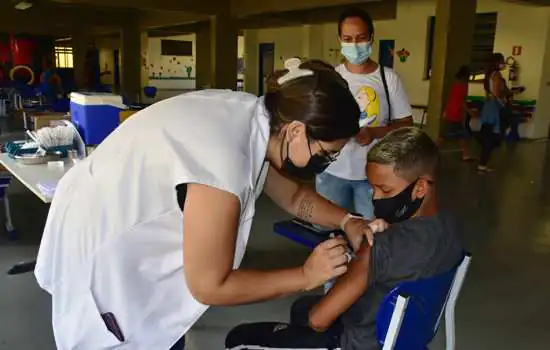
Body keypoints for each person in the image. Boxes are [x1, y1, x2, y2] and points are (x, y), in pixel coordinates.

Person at [34, 58, 379, 350]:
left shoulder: (257, 117)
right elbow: (210, 286)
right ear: (296, 132)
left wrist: (348, 220)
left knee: (164, 326)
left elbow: (293, 196)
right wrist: (305, 276)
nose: (329, 162)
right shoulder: (225, 161)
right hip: (103, 247)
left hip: (112, 215)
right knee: (123, 331)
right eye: (328, 153)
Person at [226, 127, 464, 350]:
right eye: (372, 188)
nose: (375, 198)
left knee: (240, 338)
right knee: (301, 307)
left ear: (420, 188)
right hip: (403, 335)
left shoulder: (377, 248)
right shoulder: (452, 227)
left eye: (385, 190)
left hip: (357, 342)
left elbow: (319, 320)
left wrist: (345, 265)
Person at [316, 7, 413, 221]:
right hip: (331, 170)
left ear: (371, 38)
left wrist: (375, 132)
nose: (354, 45)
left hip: (372, 175)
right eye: (348, 39)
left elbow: (406, 125)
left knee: (371, 231)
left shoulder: (389, 79)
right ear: (340, 39)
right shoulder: (331, 78)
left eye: (360, 38)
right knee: (327, 229)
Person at [477, 52, 512, 173]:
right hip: (494, 108)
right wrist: (508, 93)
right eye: (502, 60)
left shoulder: (489, 75)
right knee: (493, 136)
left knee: (488, 134)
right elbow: (497, 93)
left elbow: (490, 93)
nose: (504, 63)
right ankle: (482, 162)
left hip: (489, 107)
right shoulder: (496, 75)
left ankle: (483, 161)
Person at [437, 65, 475, 161]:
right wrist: (469, 111)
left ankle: (465, 155)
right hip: (454, 114)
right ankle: (431, 152)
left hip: (452, 113)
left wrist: (446, 111)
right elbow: (460, 101)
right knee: (445, 136)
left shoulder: (456, 84)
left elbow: (451, 99)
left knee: (462, 135)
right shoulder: (462, 86)